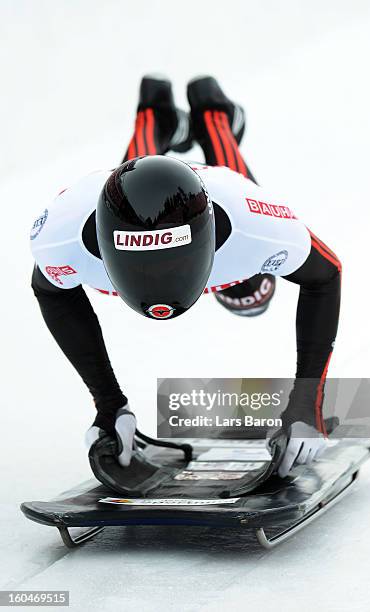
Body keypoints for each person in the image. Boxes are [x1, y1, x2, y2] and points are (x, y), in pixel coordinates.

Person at [30, 75, 341, 478]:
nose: (159, 283)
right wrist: (109, 405)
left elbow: (326, 273)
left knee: (251, 295)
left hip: (226, 197)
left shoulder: (254, 223)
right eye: (142, 265)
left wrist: (306, 401)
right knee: (134, 180)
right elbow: (50, 293)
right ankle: (194, 113)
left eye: (172, 264)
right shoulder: (61, 237)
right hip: (118, 200)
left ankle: (202, 118)